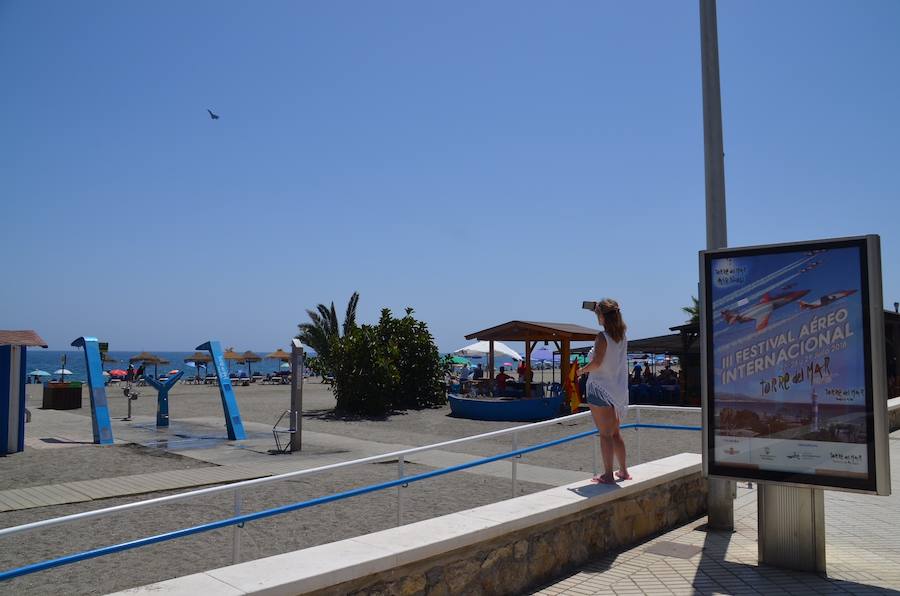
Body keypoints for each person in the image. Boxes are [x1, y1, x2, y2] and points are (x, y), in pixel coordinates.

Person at [576, 298, 630, 484]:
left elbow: (597, 363)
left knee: (605, 434)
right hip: (617, 390)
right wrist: (599, 310)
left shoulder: (602, 337)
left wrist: (581, 371)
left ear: (603, 316)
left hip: (599, 389)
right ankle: (623, 471)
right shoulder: (622, 336)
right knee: (615, 433)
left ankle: (608, 474)